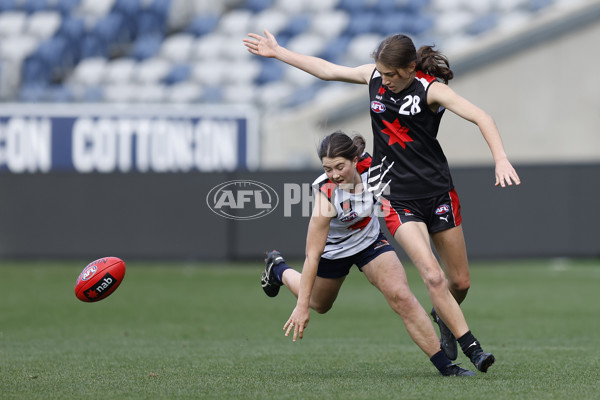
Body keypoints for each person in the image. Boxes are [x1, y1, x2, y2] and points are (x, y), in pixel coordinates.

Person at [245, 30, 520, 371]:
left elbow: (483, 117)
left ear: (410, 67)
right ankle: (473, 348)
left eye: (391, 74)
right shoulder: (374, 77)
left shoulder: (431, 90)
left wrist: (501, 158)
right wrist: (278, 52)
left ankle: (444, 316)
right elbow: (326, 69)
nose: (384, 80)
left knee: (459, 282)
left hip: (438, 193)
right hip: (397, 198)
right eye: (381, 73)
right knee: (432, 278)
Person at [261, 130, 475, 376]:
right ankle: (278, 269)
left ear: (355, 159)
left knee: (402, 297)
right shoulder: (326, 195)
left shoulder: (374, 168)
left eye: (339, 167)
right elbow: (313, 255)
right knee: (319, 304)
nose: (334, 175)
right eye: (328, 169)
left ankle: (446, 367)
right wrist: (301, 306)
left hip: (369, 242)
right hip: (334, 252)